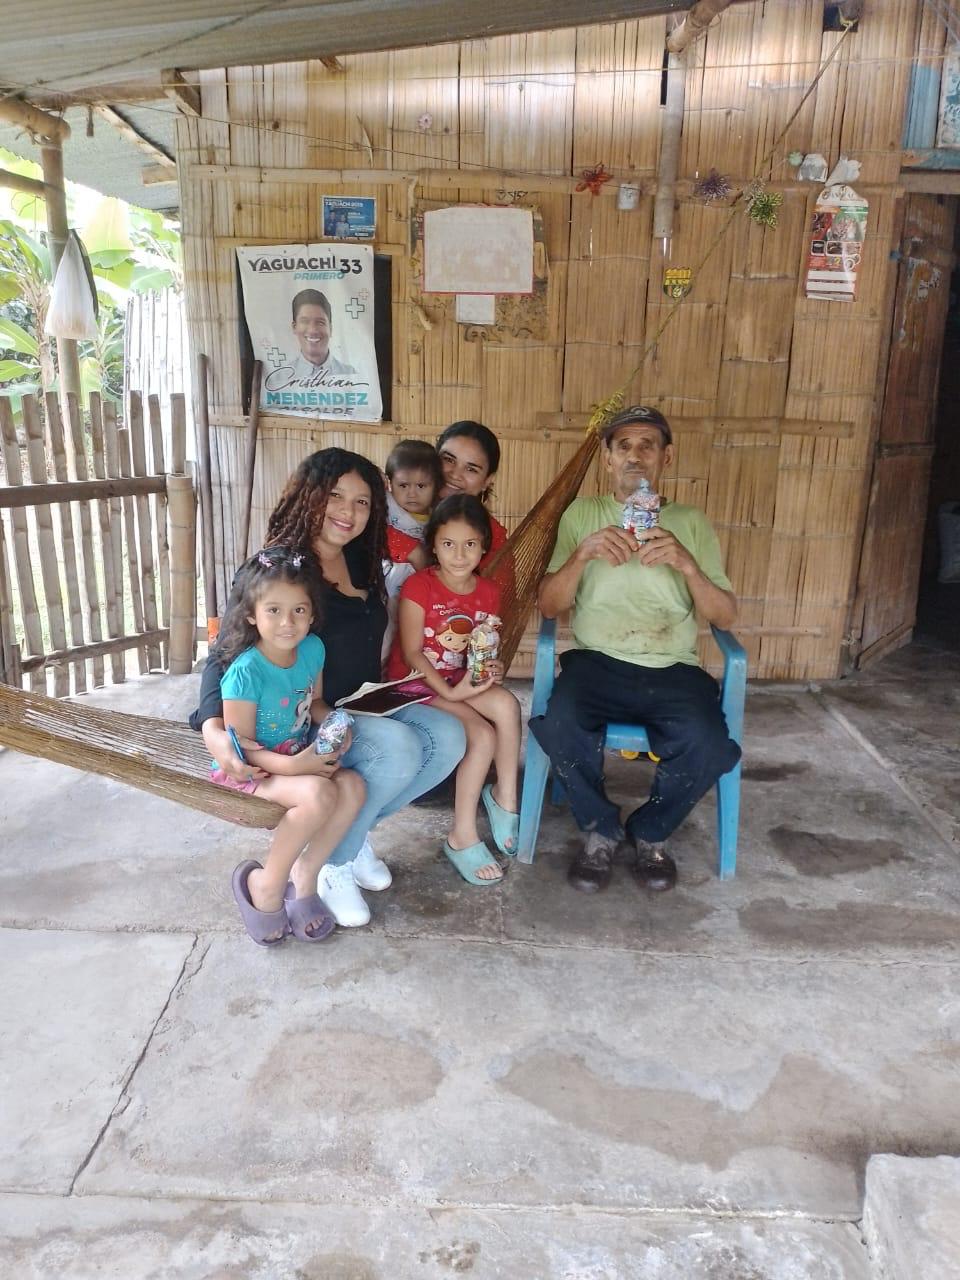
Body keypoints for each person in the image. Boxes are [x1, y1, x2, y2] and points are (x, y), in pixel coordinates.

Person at [192, 448, 467, 927]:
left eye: (362, 502)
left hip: (362, 699)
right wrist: (212, 729)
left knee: (449, 737)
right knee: (398, 749)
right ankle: (328, 865)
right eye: (335, 496)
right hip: (309, 712)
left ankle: (347, 839)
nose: (348, 511)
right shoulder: (281, 570)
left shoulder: (362, 557)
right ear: (310, 495)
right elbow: (227, 652)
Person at [530, 405, 741, 895]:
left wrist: (686, 564)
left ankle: (651, 831)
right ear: (607, 459)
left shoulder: (689, 521)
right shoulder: (582, 515)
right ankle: (600, 828)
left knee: (709, 743)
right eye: (623, 446)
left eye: (648, 445)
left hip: (672, 668)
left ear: (667, 457)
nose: (635, 455)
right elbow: (549, 605)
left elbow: (726, 616)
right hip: (596, 664)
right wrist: (583, 554)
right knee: (558, 724)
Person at [214, 547, 366, 946]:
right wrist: (296, 767)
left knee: (353, 787)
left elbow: (315, 703)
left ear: (312, 613)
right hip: (253, 772)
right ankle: (266, 884)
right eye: (274, 610)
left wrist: (336, 723)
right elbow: (241, 750)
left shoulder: (312, 649)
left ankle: (305, 879)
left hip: (297, 758)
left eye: (299, 610)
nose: (288, 622)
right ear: (251, 614)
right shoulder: (245, 673)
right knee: (318, 793)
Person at [387, 494, 521, 887]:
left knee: (508, 706)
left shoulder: (489, 591)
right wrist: (452, 695)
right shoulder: (419, 586)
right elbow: (413, 653)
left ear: (483, 547)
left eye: (469, 544)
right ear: (434, 545)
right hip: (417, 682)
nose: (459, 555)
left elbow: (482, 647)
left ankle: (504, 797)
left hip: (459, 678)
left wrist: (491, 667)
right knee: (482, 735)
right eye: (448, 544)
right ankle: (462, 835)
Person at [382, 438, 443, 659]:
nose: (412, 494)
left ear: (436, 486)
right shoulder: (385, 506)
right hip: (384, 585)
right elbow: (377, 533)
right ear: (390, 483)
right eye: (403, 485)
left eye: (421, 486)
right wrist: (411, 550)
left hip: (417, 589)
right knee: (384, 633)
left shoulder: (439, 516)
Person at [435, 421, 508, 568]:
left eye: (471, 469)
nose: (455, 475)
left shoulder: (492, 537)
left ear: (487, 480)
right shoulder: (397, 509)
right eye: (448, 460)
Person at [289, 289, 359, 378]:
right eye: (305, 321)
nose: (312, 330)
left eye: (320, 322)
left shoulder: (351, 374)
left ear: (330, 329)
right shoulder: (279, 378)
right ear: (294, 327)